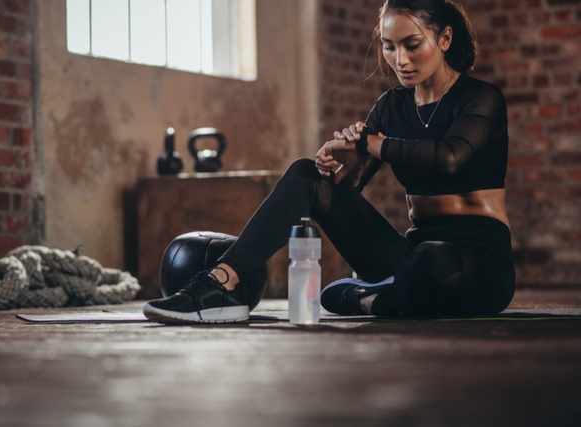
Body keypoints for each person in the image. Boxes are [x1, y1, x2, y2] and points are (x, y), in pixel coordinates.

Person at [143, 0, 515, 323]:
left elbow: (451, 158)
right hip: (410, 257)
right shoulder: (391, 106)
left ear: (445, 39)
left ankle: (369, 300)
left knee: (433, 261)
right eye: (389, 47)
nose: (399, 60)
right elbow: (348, 190)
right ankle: (222, 282)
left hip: (478, 265)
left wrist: (371, 142)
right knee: (307, 174)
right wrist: (340, 167)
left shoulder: (481, 98)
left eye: (412, 44)